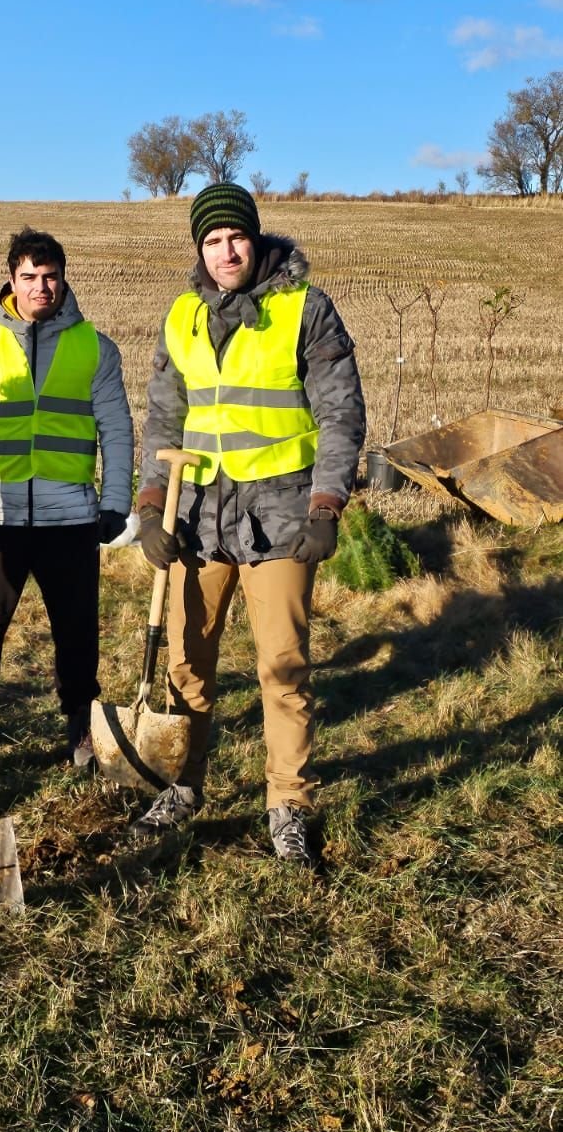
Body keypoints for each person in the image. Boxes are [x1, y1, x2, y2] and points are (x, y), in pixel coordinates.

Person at [135, 182, 366, 861]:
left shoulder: (306, 309)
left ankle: (287, 803)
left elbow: (340, 414)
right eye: (211, 240)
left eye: (236, 236)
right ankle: (182, 785)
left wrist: (327, 503)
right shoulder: (180, 317)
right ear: (199, 250)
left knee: (283, 665)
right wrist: (152, 506)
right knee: (188, 664)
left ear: (257, 238)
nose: (225, 250)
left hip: (283, 515)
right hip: (200, 517)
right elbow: (162, 420)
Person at [0, 227, 133, 757]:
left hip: (71, 518)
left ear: (63, 280)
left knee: (78, 633)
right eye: (29, 277)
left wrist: (115, 503)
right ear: (11, 280)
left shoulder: (95, 348)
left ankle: (81, 726)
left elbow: (116, 428)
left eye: (50, 277)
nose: (40, 287)